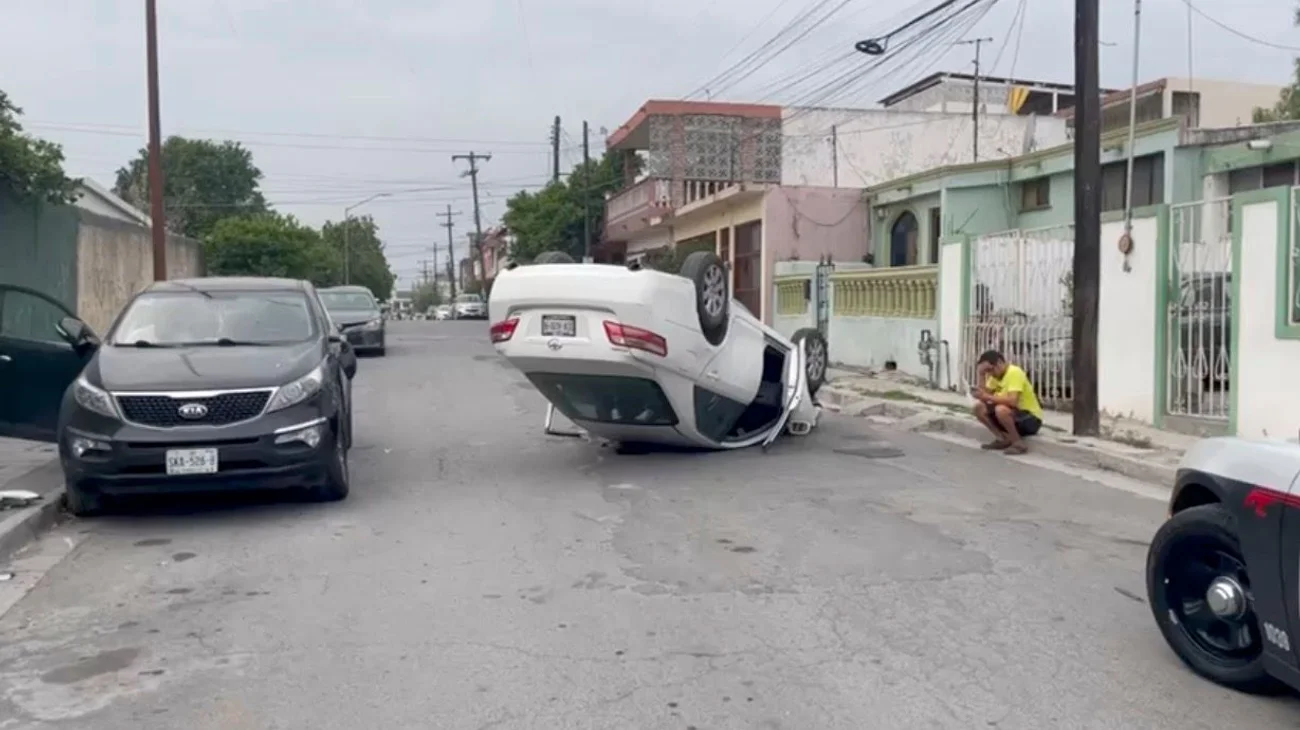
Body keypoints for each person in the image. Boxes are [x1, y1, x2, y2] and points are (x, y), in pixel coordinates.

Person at [971, 349, 1043, 455]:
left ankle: (1018, 443)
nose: (990, 374)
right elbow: (984, 397)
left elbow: (1013, 401)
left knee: (1000, 409)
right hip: (1013, 416)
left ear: (1000, 363)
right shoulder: (995, 377)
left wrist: (986, 396)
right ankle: (1002, 438)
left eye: (990, 370)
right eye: (987, 372)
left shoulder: (1014, 372)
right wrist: (981, 376)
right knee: (979, 408)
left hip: (1030, 418)